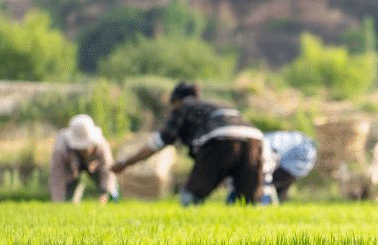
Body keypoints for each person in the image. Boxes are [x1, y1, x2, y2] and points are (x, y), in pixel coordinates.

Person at [111, 81, 264, 206]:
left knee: (190, 196)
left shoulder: (182, 107)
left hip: (219, 140)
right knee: (247, 201)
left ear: (176, 100)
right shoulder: (217, 104)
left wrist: (125, 162)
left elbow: (157, 143)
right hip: (253, 140)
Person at [226, 130, 318, 205]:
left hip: (290, 162)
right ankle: (264, 203)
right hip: (294, 164)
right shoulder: (297, 142)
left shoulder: (265, 142)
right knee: (268, 184)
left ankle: (262, 203)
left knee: (262, 181)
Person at [48, 114, 119, 204]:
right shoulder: (61, 148)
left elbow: (108, 170)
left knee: (111, 189)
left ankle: (113, 200)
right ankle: (70, 202)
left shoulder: (101, 145)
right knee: (67, 196)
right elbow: (57, 176)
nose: (84, 150)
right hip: (71, 166)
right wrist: (58, 202)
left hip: (95, 166)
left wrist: (104, 194)